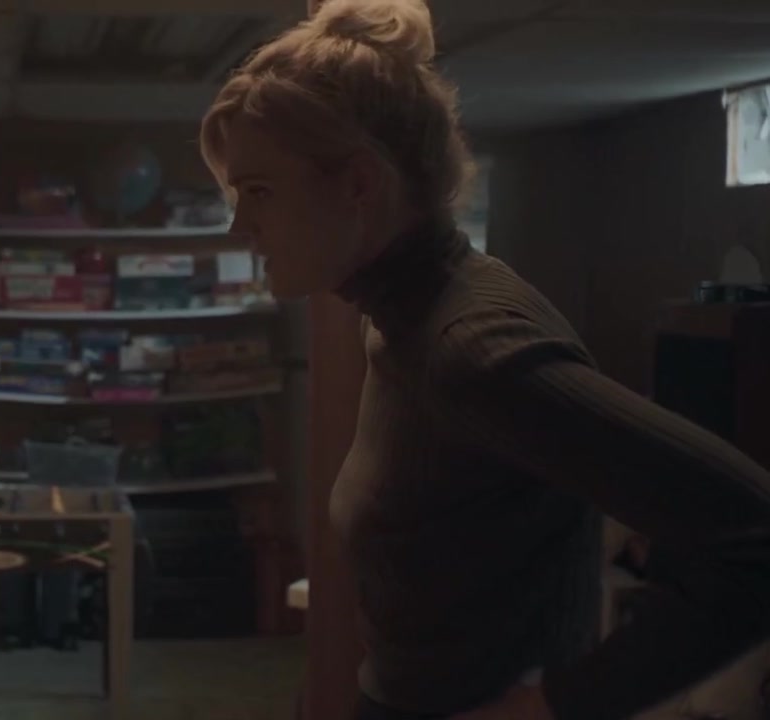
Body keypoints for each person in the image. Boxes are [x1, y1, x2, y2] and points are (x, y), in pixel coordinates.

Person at [200, 1, 770, 718]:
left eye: (258, 191)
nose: (240, 225)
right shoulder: (399, 315)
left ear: (358, 184)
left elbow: (754, 539)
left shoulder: (469, 346)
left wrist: (557, 704)